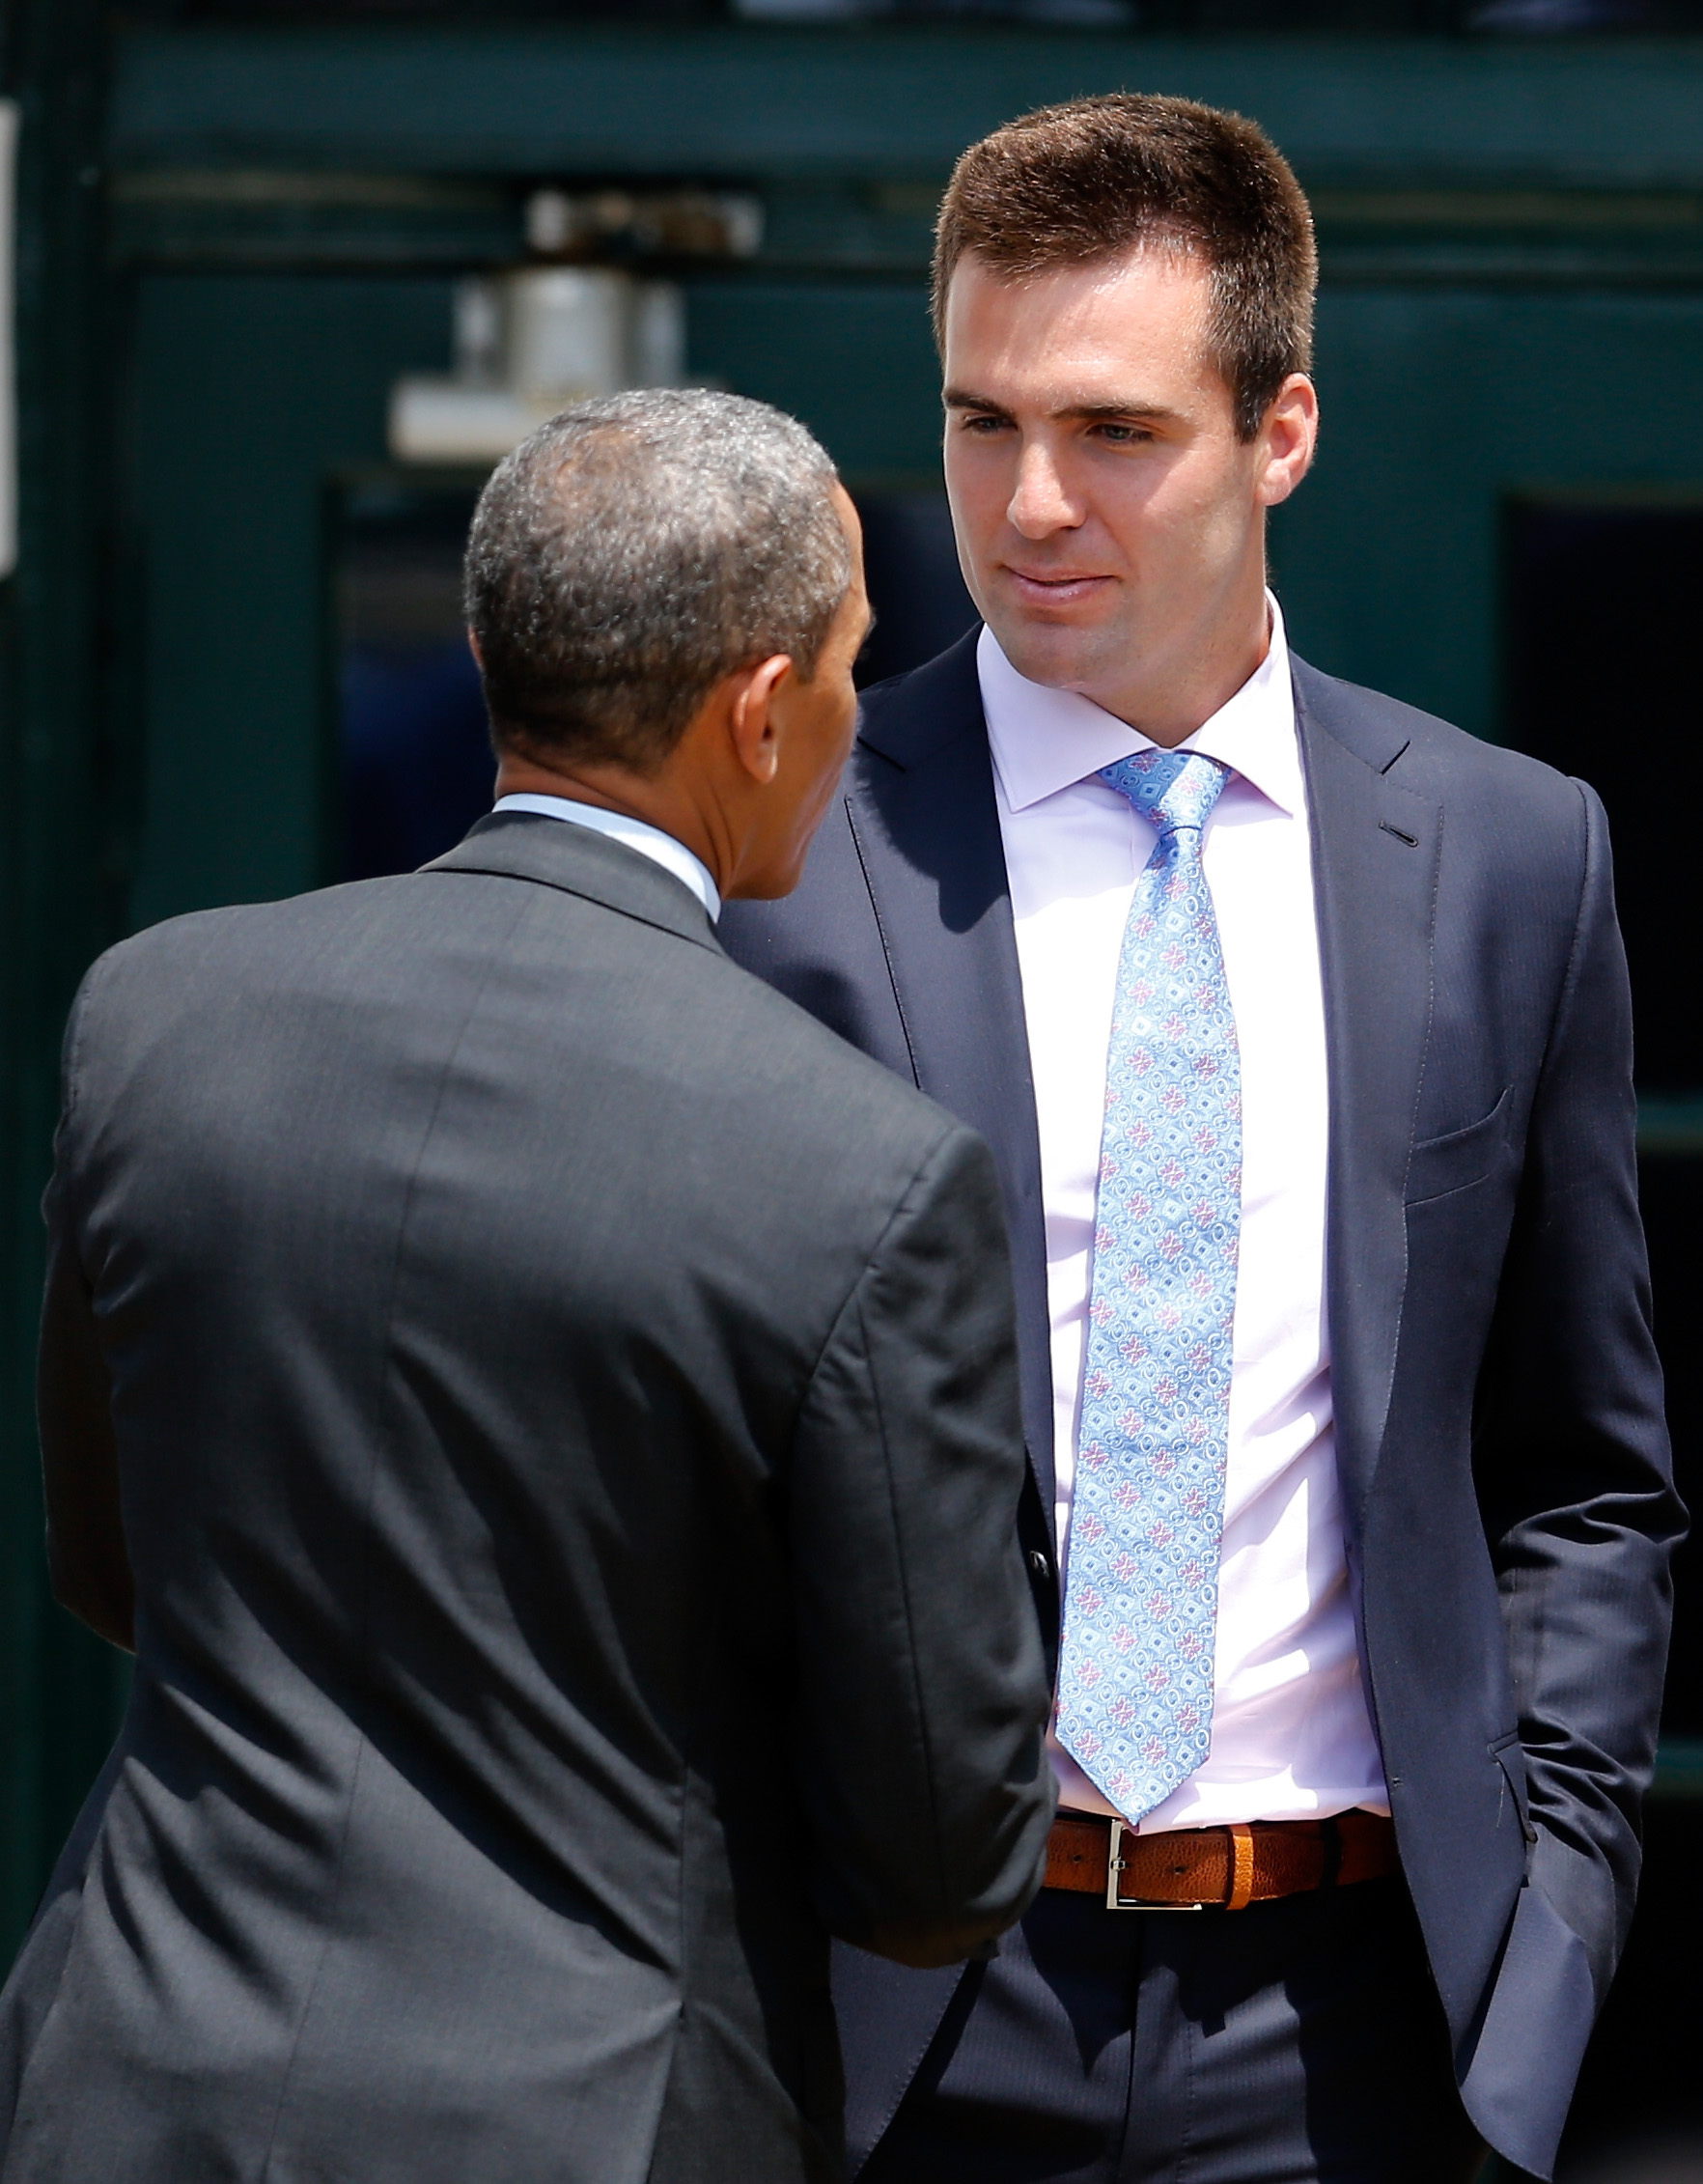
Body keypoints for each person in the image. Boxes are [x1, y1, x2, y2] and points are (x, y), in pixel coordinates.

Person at [720, 98, 1682, 2184]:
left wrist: (1552, 1945)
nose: (1029, 502)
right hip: (887, 2016)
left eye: (1117, 433)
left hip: (1356, 2036)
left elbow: (1582, 1474)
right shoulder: (781, 858)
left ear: (1285, 431)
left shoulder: (1511, 858)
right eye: (981, 422)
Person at [0, 390, 1056, 2184]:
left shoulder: (160, 1015)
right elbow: (940, 1859)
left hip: (137, 2083)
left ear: (492, 650)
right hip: (591, 2124)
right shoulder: (859, 1169)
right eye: (852, 670)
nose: (855, 722)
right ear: (759, 709)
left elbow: (111, 1561)